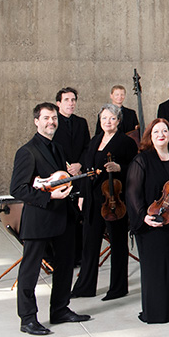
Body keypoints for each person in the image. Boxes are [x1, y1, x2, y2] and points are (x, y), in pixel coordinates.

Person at [9, 103, 92, 335]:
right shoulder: (27, 151)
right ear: (36, 121)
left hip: (62, 218)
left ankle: (60, 309)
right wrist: (49, 196)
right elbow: (17, 189)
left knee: (65, 266)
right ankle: (27, 319)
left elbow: (62, 179)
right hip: (39, 220)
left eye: (54, 118)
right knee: (30, 270)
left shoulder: (58, 148)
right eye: (46, 118)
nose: (51, 122)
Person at [126, 118, 169, 324]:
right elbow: (132, 193)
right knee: (155, 269)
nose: (161, 135)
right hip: (151, 222)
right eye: (156, 132)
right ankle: (157, 311)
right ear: (150, 136)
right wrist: (143, 217)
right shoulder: (142, 160)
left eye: (165, 131)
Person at [71, 104, 138, 300]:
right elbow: (87, 170)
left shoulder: (126, 142)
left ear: (118, 121)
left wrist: (119, 168)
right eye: (104, 119)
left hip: (113, 199)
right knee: (89, 243)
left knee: (117, 243)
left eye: (111, 118)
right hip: (93, 198)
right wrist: (83, 195)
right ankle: (85, 287)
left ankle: (118, 288)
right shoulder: (94, 141)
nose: (107, 122)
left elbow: (135, 169)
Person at [53, 87, 90, 266]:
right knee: (63, 216)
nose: (71, 103)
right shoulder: (53, 123)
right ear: (58, 103)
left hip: (79, 174)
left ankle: (79, 256)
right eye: (67, 100)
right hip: (60, 176)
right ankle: (62, 256)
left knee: (79, 216)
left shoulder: (81, 122)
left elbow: (87, 147)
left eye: (73, 99)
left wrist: (80, 165)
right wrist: (66, 167)